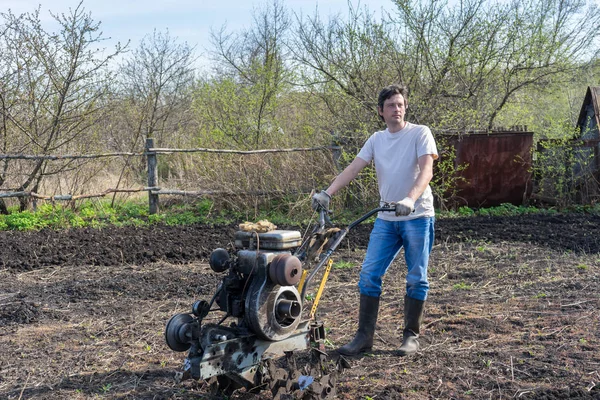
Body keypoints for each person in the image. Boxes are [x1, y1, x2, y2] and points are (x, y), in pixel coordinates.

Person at [311, 84, 438, 356]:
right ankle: (363, 337)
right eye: (391, 105)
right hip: (386, 218)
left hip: (417, 216)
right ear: (381, 111)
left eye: (401, 104)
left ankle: (411, 338)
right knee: (369, 275)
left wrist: (410, 198)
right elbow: (354, 168)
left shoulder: (420, 133)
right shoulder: (376, 139)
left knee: (416, 278)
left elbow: (426, 171)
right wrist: (327, 193)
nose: (397, 109)